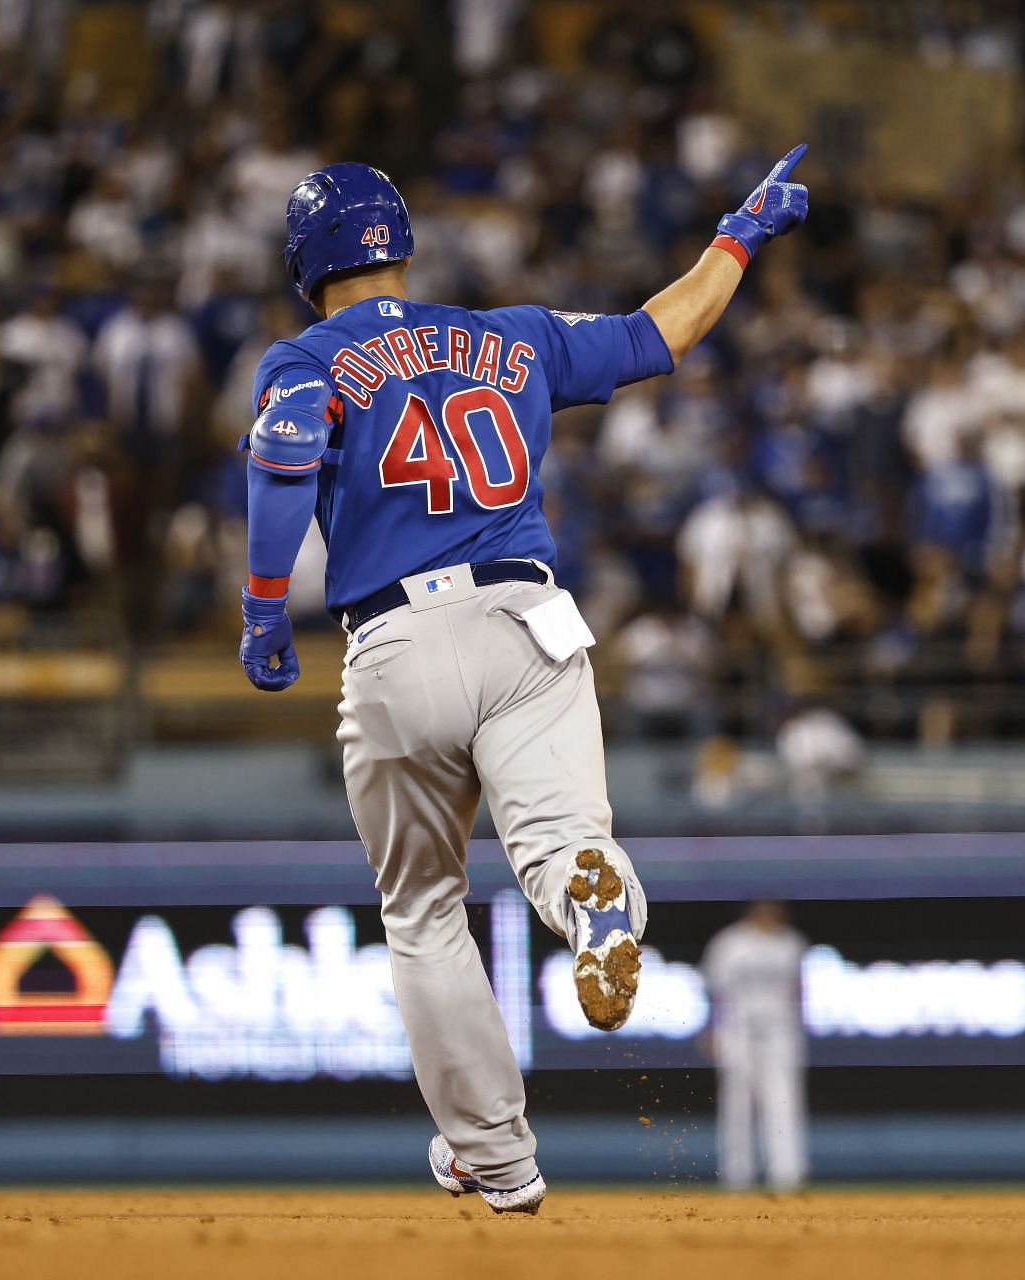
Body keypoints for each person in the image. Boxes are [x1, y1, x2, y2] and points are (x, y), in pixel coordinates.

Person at [238, 149, 810, 1213]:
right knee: (561, 843)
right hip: (531, 615)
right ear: (400, 242)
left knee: (423, 907)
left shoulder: (305, 355)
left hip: (399, 636)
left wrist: (266, 604)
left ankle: (496, 1155)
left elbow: (279, 461)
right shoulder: (512, 335)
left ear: (306, 259)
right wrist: (739, 234)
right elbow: (663, 330)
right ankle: (590, 894)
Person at [702, 900, 810, 1191]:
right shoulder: (729, 943)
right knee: (736, 1103)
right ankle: (737, 1174)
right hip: (738, 1029)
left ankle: (787, 1174)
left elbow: (799, 992)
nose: (770, 918)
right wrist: (712, 1029)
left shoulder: (791, 943)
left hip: (779, 1031)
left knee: (783, 1101)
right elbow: (714, 991)